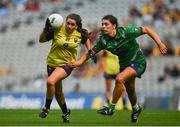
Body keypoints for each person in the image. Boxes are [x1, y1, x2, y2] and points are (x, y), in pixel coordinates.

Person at [68, 15, 168, 123]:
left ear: (114, 26)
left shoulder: (125, 32)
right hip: (125, 66)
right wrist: (79, 62)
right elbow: (91, 52)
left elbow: (147, 29)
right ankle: (136, 109)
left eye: (106, 24)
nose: (103, 26)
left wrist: (159, 43)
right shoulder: (104, 41)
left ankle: (111, 108)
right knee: (130, 89)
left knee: (119, 79)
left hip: (138, 62)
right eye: (102, 24)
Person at [38, 13, 91, 123]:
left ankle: (46, 108)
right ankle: (66, 112)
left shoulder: (79, 34)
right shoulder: (57, 28)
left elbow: (86, 39)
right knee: (58, 92)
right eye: (68, 23)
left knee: (50, 82)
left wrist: (89, 51)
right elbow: (41, 40)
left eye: (73, 24)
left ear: (77, 25)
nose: (70, 26)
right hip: (51, 64)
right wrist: (46, 28)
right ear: (65, 22)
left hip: (67, 65)